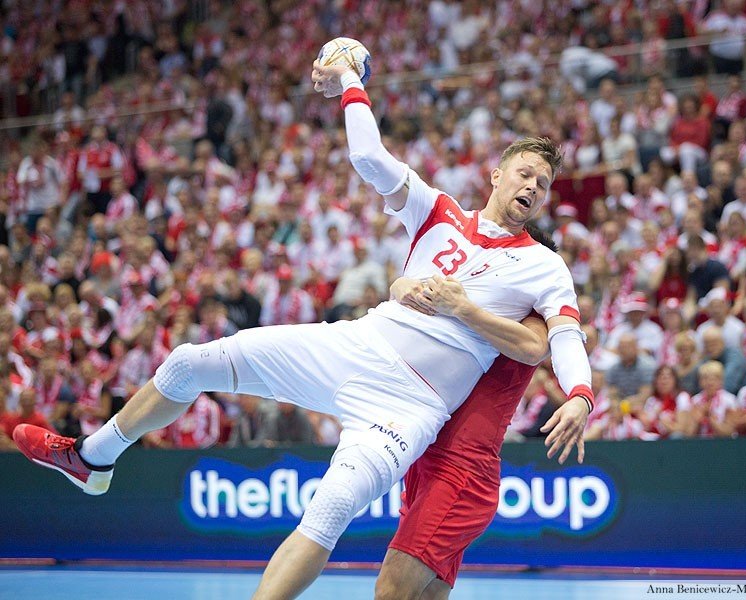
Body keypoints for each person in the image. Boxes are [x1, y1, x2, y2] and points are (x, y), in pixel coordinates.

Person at [13, 60, 593, 600]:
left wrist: (579, 395)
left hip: (412, 407)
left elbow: (563, 337)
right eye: (526, 173)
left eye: (543, 184)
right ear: (497, 174)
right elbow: (369, 157)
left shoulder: (542, 264)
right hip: (357, 345)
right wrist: (350, 83)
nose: (532, 187)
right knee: (190, 361)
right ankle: (94, 457)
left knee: (331, 507)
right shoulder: (438, 211)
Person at [377, 275, 549, 599]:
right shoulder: (469, 287)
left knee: (391, 590)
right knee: (427, 595)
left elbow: (535, 348)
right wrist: (400, 285)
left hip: (460, 471)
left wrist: (581, 397)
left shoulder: (531, 317)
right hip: (423, 465)